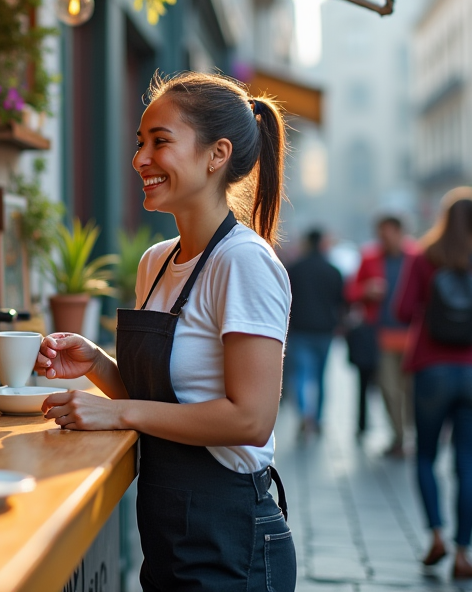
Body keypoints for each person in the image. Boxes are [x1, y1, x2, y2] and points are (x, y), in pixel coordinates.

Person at [34, 72, 294, 592]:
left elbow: (251, 419)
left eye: (160, 142)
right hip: (170, 537)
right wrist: (97, 365)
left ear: (217, 154)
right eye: (139, 144)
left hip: (232, 542)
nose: (139, 160)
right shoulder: (156, 262)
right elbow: (165, 404)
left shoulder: (243, 261)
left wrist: (117, 411)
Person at [394, 188, 472, 578]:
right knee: (468, 464)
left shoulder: (424, 258)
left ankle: (436, 534)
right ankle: (463, 554)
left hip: (431, 370)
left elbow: (403, 310)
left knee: (425, 456)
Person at [348, 215, 417, 455]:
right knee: (388, 388)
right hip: (382, 335)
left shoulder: (417, 258)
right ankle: (398, 438)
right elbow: (351, 291)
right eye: (380, 235)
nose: (383, 240)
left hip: (413, 337)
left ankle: (411, 434)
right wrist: (366, 290)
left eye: (387, 234)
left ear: (400, 232)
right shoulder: (369, 258)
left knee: (411, 391)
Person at [283, 228, 344, 435]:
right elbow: (340, 302)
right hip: (325, 331)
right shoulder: (333, 270)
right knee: (320, 377)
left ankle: (303, 415)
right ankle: (317, 419)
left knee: (299, 375)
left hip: (299, 330)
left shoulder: (294, 269)